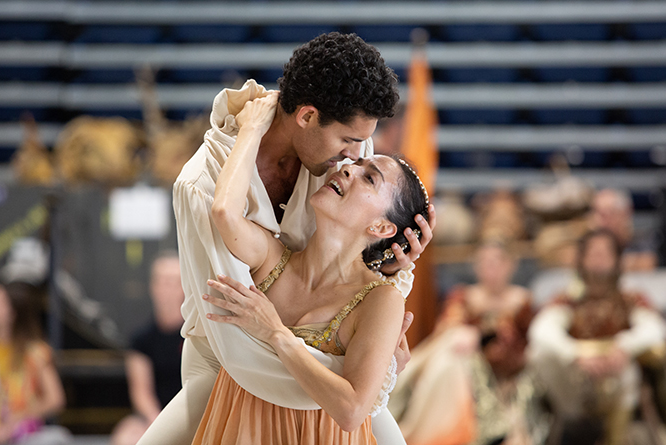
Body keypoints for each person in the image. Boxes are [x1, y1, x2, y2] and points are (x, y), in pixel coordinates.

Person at [138, 32, 435, 445]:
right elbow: (241, 339)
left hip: (319, 366)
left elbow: (347, 259)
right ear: (308, 116)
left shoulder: (346, 154)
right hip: (228, 362)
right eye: (349, 142)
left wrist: (385, 262)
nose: (353, 159)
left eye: (362, 153)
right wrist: (368, 371)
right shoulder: (200, 186)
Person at [192, 90, 429, 443]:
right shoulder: (273, 257)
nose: (349, 167)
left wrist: (275, 333)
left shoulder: (380, 299)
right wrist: (251, 129)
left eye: (369, 177)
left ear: (380, 228)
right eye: (356, 164)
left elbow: (351, 410)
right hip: (241, 424)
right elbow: (224, 212)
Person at [390, 241, 547, 445]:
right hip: (458, 367)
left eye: (496, 263)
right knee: (451, 352)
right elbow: (443, 335)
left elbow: (527, 348)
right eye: (484, 263)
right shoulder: (463, 297)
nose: (491, 270)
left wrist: (483, 339)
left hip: (506, 375)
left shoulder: (523, 302)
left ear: (511, 265)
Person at [528, 229, 666, 445]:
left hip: (618, 383)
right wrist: (575, 354)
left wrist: (624, 347)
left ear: (617, 259)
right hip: (575, 385)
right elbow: (541, 330)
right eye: (593, 253)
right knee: (539, 354)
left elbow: (655, 329)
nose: (599, 258)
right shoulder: (568, 300)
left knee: (631, 367)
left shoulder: (629, 299)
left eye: (605, 253)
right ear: (582, 259)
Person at [111, 252, 185, 445]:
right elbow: (141, 393)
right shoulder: (141, 340)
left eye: (172, 281)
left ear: (184, 287)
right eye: (160, 281)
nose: (165, 288)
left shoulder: (198, 336)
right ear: (152, 287)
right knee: (126, 436)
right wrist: (159, 423)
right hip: (156, 417)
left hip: (194, 413)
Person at [0, 282, 70, 445]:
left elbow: (56, 398)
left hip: (24, 432)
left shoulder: (35, 352)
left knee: (57, 438)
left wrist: (19, 416)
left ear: (12, 312)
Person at [589, 188, 657, 272]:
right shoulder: (589, 239)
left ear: (626, 212)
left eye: (611, 213)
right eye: (599, 213)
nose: (604, 221)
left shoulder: (641, 239)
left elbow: (648, 262)